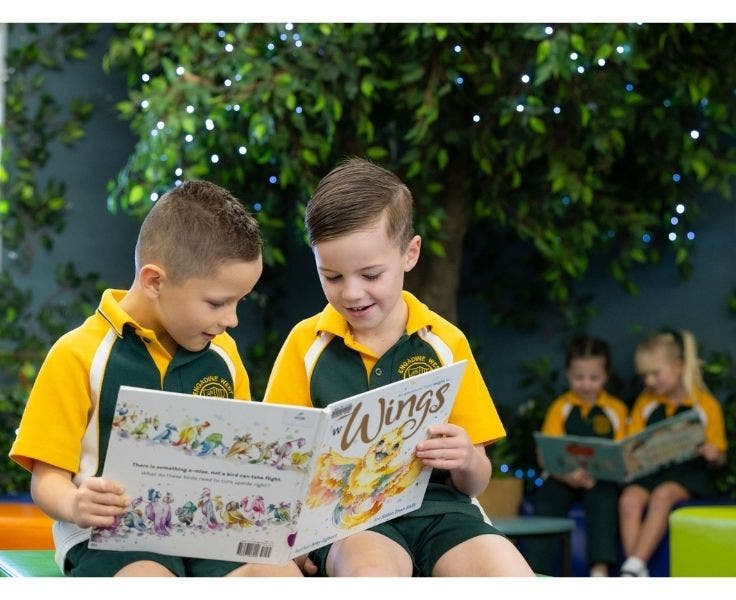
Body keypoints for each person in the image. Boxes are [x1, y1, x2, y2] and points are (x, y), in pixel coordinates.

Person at [9, 181, 302, 577]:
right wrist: (76, 504)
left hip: (209, 532)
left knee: (281, 576)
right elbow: (46, 480)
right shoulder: (77, 354)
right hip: (110, 538)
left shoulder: (225, 354)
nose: (231, 320)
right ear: (154, 281)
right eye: (217, 303)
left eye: (239, 302)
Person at [263, 157, 534, 577]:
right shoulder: (305, 345)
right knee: (369, 572)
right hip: (350, 522)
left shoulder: (444, 343)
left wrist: (465, 459)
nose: (352, 293)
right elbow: (277, 466)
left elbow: (477, 479)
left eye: (371, 274)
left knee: (510, 577)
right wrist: (290, 543)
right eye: (331, 276)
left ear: (410, 254)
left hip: (443, 512)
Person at [618, 329, 727, 577]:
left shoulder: (704, 404)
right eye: (645, 375)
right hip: (652, 471)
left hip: (688, 475)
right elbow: (631, 444)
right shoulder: (645, 403)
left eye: (656, 373)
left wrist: (713, 453)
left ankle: (632, 568)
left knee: (663, 495)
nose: (650, 381)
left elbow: (720, 455)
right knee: (629, 499)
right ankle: (634, 568)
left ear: (678, 367)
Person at [525, 335, 628, 577]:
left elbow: (624, 454)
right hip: (562, 478)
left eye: (594, 378)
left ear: (606, 375)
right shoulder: (560, 407)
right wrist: (567, 476)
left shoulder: (617, 410)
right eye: (578, 377)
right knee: (547, 500)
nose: (586, 384)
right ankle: (536, 572)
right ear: (567, 374)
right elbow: (545, 454)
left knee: (604, 501)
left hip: (600, 480)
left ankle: (599, 570)